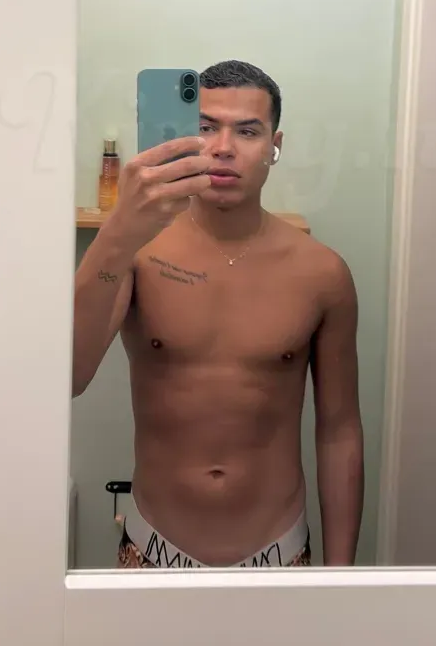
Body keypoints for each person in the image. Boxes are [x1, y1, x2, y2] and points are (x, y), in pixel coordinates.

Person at [73, 59, 364, 568]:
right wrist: (119, 228)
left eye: (247, 131)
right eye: (206, 128)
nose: (224, 147)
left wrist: (340, 579)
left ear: (275, 146)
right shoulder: (138, 253)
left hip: (279, 551)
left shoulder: (322, 272)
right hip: (152, 546)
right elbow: (69, 376)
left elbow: (339, 432)